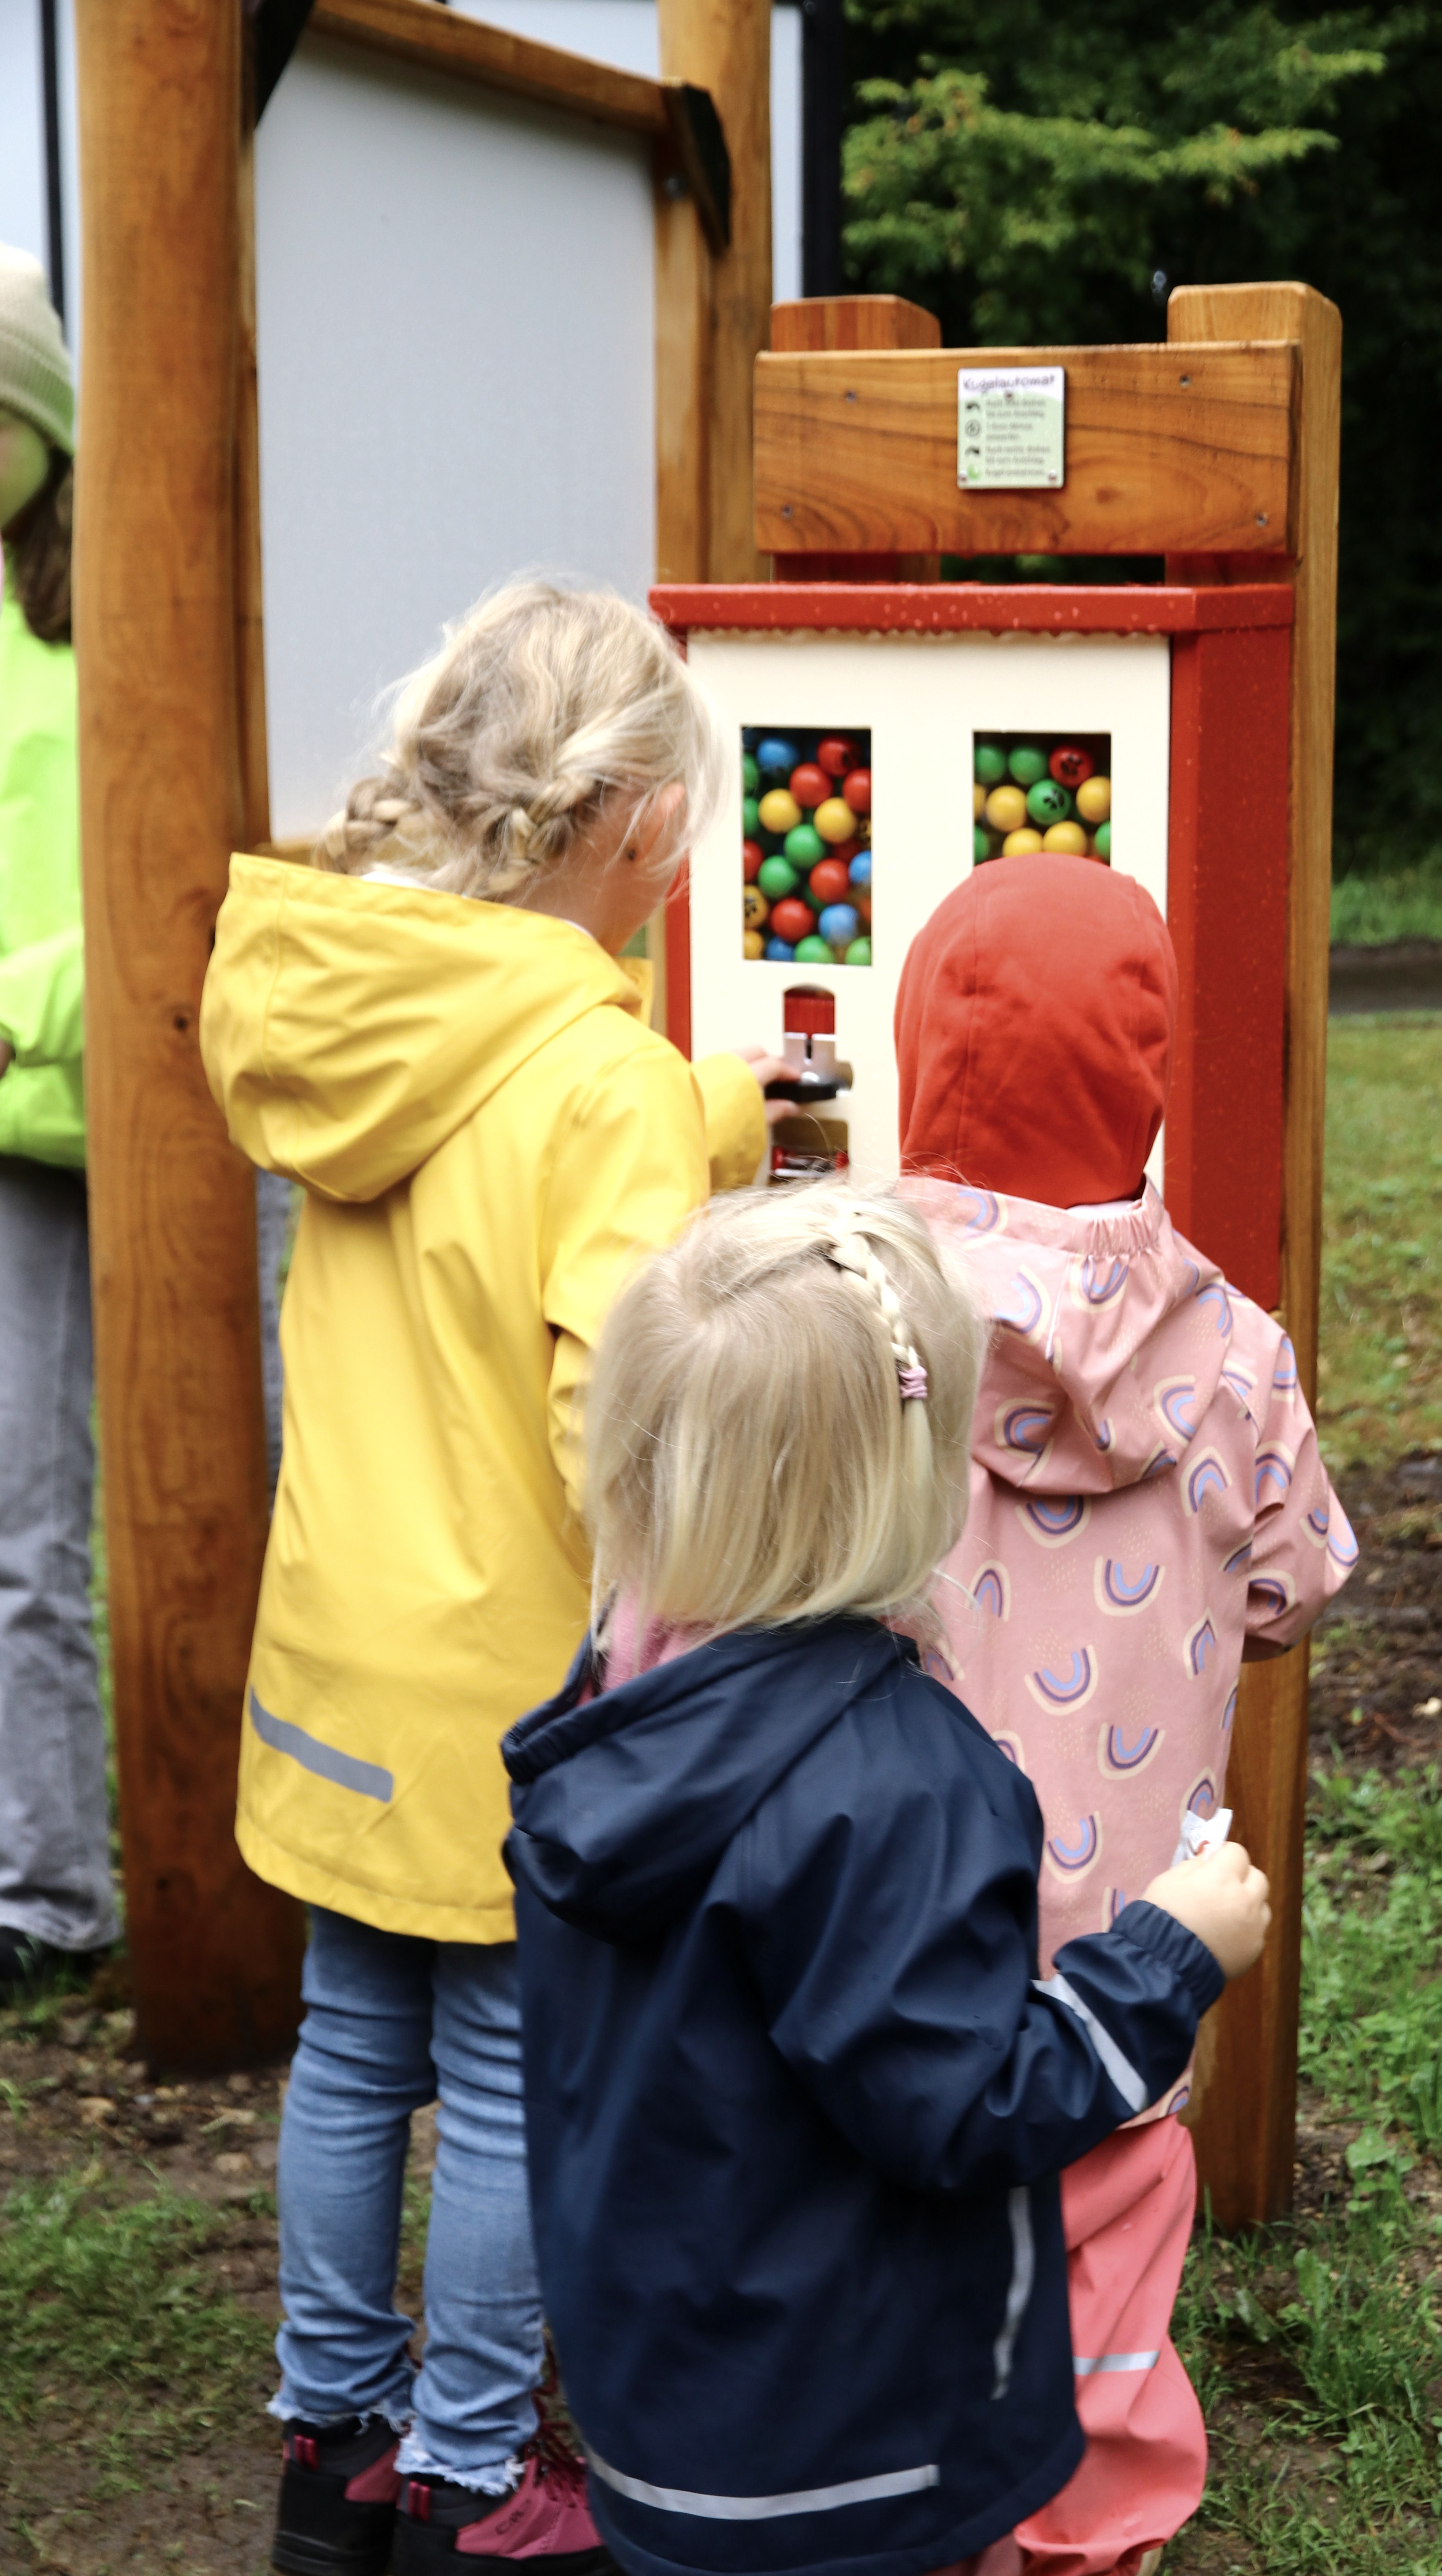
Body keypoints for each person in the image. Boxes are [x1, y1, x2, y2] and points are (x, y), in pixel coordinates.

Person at [201, 582, 787, 2576]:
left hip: (337, 1655)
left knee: (351, 2043)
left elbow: (483, 1147)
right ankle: (472, 2476)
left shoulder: (362, 1000)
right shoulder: (597, 1075)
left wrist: (707, 1115)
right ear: (636, 819)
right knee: (513, 2075)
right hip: (510, 1690)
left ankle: (335, 2445)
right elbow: (604, 1414)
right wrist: (687, 1634)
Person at [504, 1182, 1272, 2576]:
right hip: (856, 2454)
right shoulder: (895, 1780)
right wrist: (1168, 1954)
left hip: (662, 2412)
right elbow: (966, 2106)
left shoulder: (609, 1705)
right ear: (911, 1476)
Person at [893, 854, 1357, 2576]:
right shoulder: (1237, 1351)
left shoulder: (840, 1325)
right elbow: (1292, 1593)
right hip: (1132, 1960)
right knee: (1101, 2286)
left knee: (892, 2274)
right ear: (1145, 1081)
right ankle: (1084, 2533)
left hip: (883, 1956)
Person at [0, 247, 116, 1996]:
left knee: (271, 1515)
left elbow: (182, 862)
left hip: (180, 1117)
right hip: (17, 1146)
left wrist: (25, 1000)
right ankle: (48, 1895)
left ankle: (276, 1872)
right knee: (24, 1528)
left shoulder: (131, 595)